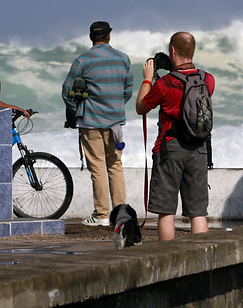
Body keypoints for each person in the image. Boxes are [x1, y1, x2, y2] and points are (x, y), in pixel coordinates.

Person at [136, 32, 215, 241]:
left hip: (170, 147)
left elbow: (141, 107)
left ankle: (167, 260)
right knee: (198, 212)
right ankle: (201, 260)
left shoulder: (165, 84)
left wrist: (147, 79)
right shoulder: (208, 80)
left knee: (166, 211)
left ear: (172, 50)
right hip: (199, 148)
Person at [62, 21, 133, 226]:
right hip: (116, 123)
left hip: (90, 122)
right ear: (109, 36)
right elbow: (127, 91)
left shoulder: (82, 60)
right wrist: (115, 107)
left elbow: (67, 91)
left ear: (91, 38)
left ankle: (102, 215)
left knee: (98, 166)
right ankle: (121, 214)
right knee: (115, 165)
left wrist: (79, 111)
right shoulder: (123, 58)